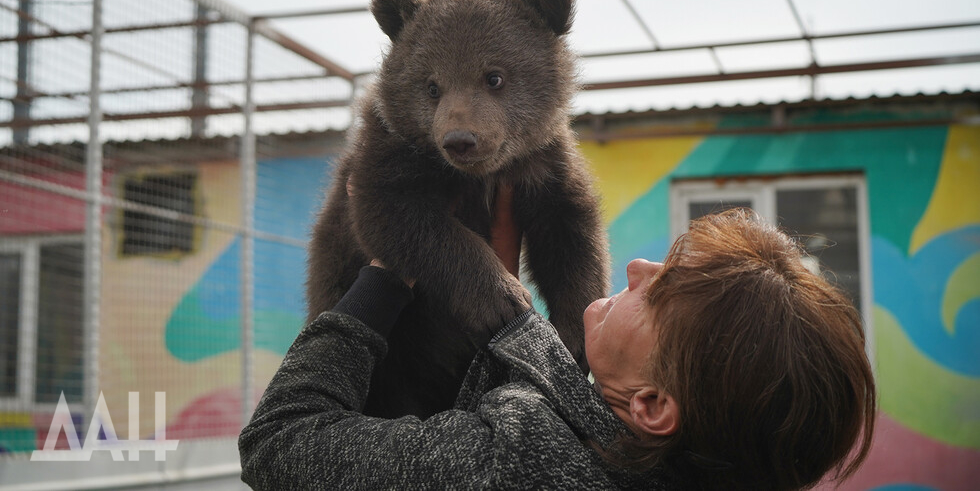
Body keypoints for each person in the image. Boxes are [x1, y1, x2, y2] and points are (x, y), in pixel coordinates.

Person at [239, 206, 876, 490]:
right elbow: (575, 407)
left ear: (653, 405)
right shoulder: (684, 461)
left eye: (661, 293)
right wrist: (498, 290)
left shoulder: (512, 468)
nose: (637, 267)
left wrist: (382, 276)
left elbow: (279, 444)